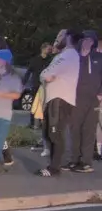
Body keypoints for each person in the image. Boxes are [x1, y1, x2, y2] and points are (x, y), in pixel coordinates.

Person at [38, 29, 79, 177]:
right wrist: (46, 76)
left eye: (59, 36)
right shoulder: (62, 55)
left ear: (68, 37)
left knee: (55, 134)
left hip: (60, 100)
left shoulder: (68, 56)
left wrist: (46, 76)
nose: (56, 39)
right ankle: (53, 166)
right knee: (50, 133)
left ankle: (55, 168)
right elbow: (43, 75)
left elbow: (46, 74)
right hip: (54, 99)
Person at [71, 30, 100, 173]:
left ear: (93, 42)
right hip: (75, 98)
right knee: (74, 129)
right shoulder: (74, 57)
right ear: (80, 41)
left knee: (89, 130)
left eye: (90, 40)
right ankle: (74, 160)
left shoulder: (99, 58)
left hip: (93, 99)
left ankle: (86, 162)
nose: (87, 42)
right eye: (85, 39)